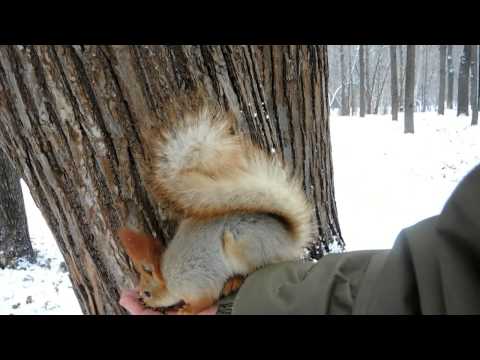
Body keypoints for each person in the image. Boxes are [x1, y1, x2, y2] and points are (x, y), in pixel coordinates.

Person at [120, 163, 480, 315]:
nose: (152, 301)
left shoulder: (180, 281)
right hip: (288, 283)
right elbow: (419, 286)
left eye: (149, 295)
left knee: (234, 245)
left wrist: (197, 308)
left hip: (258, 246)